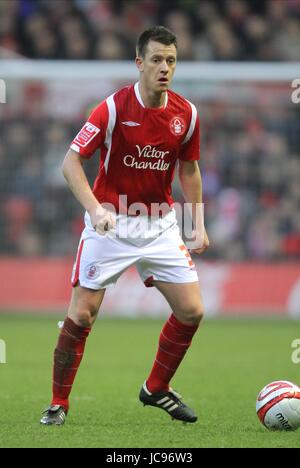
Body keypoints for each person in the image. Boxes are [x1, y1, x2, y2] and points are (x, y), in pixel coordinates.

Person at [40, 25, 209, 426]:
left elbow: (190, 169)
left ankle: (156, 388)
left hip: (159, 226)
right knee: (81, 316)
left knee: (192, 311)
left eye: (170, 60)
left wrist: (197, 222)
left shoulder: (186, 114)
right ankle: (58, 403)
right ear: (139, 63)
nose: (164, 68)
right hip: (110, 226)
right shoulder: (113, 108)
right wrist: (96, 208)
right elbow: (70, 163)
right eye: (155, 60)